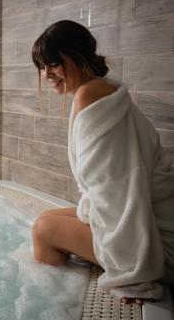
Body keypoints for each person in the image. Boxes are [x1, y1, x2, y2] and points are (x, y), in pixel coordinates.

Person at [30, 20, 174, 304]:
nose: (47, 73)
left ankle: (55, 306)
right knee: (45, 218)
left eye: (54, 63)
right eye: (42, 66)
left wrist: (132, 274)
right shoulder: (100, 89)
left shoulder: (90, 95)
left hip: (155, 239)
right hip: (149, 216)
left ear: (79, 57)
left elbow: (118, 189)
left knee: (42, 231)